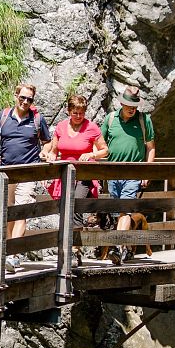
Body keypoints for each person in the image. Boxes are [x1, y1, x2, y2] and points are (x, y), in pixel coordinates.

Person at [0, 83, 51, 273]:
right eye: (23, 98)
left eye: (30, 99)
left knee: (21, 210)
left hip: (28, 172)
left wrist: (45, 153)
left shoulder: (37, 119)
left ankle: (13, 256)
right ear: (16, 96)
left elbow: (47, 142)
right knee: (8, 212)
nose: (26, 102)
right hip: (6, 172)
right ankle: (7, 250)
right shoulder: (3, 116)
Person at [41, 94, 109, 265]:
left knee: (75, 206)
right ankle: (70, 249)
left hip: (84, 174)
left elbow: (105, 150)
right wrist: (49, 158)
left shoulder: (91, 128)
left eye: (81, 113)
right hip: (65, 173)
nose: (78, 116)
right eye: (75, 113)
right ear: (68, 111)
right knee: (65, 209)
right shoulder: (61, 127)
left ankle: (74, 250)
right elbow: (55, 150)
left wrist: (92, 154)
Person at [100, 85, 156, 265]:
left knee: (125, 208)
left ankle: (118, 247)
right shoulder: (110, 119)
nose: (132, 109)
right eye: (129, 106)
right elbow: (99, 145)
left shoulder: (144, 120)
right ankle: (125, 249)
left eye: (135, 106)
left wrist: (146, 171)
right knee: (118, 211)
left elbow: (150, 147)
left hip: (134, 171)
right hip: (113, 173)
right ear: (121, 103)